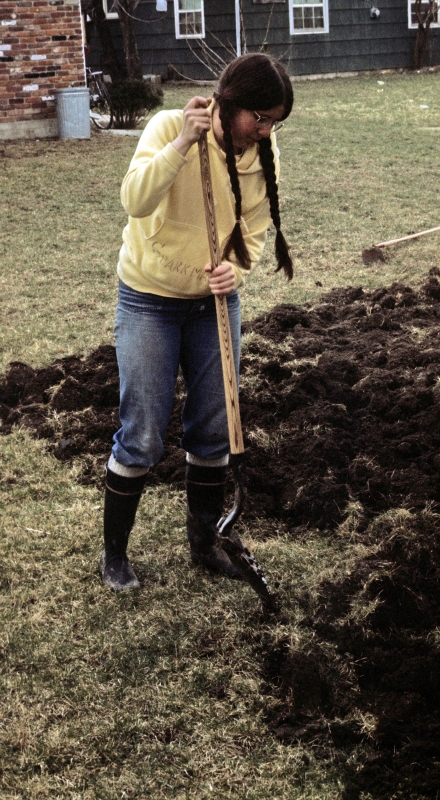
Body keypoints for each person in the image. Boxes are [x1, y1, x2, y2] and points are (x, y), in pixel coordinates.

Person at [99, 53, 294, 591]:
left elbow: (253, 230)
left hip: (214, 304)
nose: (265, 130)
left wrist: (235, 270)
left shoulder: (263, 154)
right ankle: (114, 556)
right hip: (149, 299)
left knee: (213, 429)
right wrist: (183, 143)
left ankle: (206, 544)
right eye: (260, 117)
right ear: (230, 103)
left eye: (275, 122)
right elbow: (135, 200)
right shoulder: (169, 127)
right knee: (142, 434)